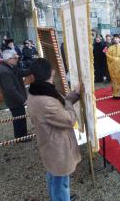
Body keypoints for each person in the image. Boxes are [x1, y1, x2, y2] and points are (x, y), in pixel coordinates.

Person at [27, 58, 81, 201]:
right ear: (52, 72)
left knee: (53, 177)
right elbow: (69, 119)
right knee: (61, 183)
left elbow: (61, 103)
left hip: (49, 144)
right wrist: (70, 106)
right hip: (57, 148)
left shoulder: (38, 90)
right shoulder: (46, 99)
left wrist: (75, 94)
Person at [0, 50, 31, 138]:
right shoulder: (4, 71)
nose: (18, 59)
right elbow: (10, 90)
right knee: (18, 118)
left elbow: (22, 72)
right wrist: (23, 100)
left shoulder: (11, 66)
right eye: (15, 58)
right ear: (9, 59)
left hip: (17, 98)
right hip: (14, 100)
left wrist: (33, 69)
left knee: (21, 117)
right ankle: (20, 137)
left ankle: (23, 134)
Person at [106, 34, 120, 99]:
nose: (116, 39)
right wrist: (113, 59)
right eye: (115, 38)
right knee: (114, 80)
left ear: (119, 39)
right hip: (113, 67)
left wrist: (117, 59)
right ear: (113, 39)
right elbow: (108, 56)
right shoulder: (110, 48)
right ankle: (115, 94)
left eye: (117, 38)